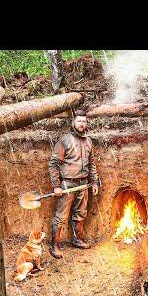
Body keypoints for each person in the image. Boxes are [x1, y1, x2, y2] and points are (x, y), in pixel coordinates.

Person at [47, 109, 99, 259]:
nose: (82, 124)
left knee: (80, 213)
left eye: (84, 121)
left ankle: (77, 240)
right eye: (79, 121)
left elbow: (92, 163)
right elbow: (53, 164)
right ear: (73, 123)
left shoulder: (89, 141)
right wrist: (56, 185)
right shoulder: (64, 141)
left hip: (83, 184)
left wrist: (94, 181)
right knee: (61, 216)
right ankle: (54, 245)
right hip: (68, 185)